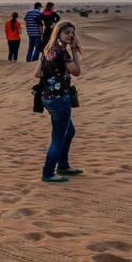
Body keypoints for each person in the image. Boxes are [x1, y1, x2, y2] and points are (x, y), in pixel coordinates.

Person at [36, 21, 83, 183]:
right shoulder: (62, 52)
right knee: (58, 138)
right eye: (67, 32)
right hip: (59, 99)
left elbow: (37, 73)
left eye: (73, 33)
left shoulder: (48, 50)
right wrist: (75, 51)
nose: (70, 35)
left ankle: (63, 165)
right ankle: (48, 172)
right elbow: (76, 72)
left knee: (69, 132)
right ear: (59, 33)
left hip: (47, 97)